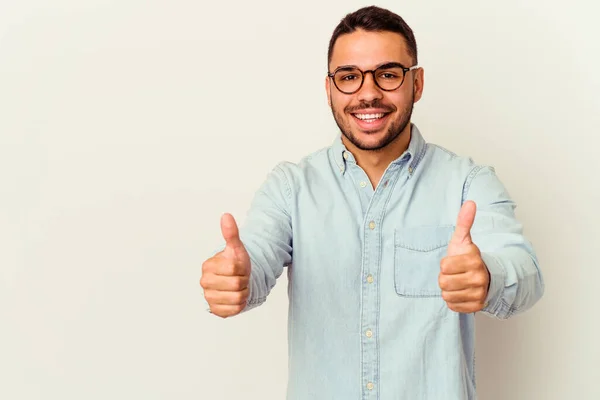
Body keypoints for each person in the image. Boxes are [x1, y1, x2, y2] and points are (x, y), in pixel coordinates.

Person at [199, 5, 544, 400]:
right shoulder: (291, 187)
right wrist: (236, 279)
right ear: (329, 89)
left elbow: (526, 271)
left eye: (388, 74)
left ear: (417, 83)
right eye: (349, 77)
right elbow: (255, 257)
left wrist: (488, 277)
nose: (368, 93)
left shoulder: (469, 183)